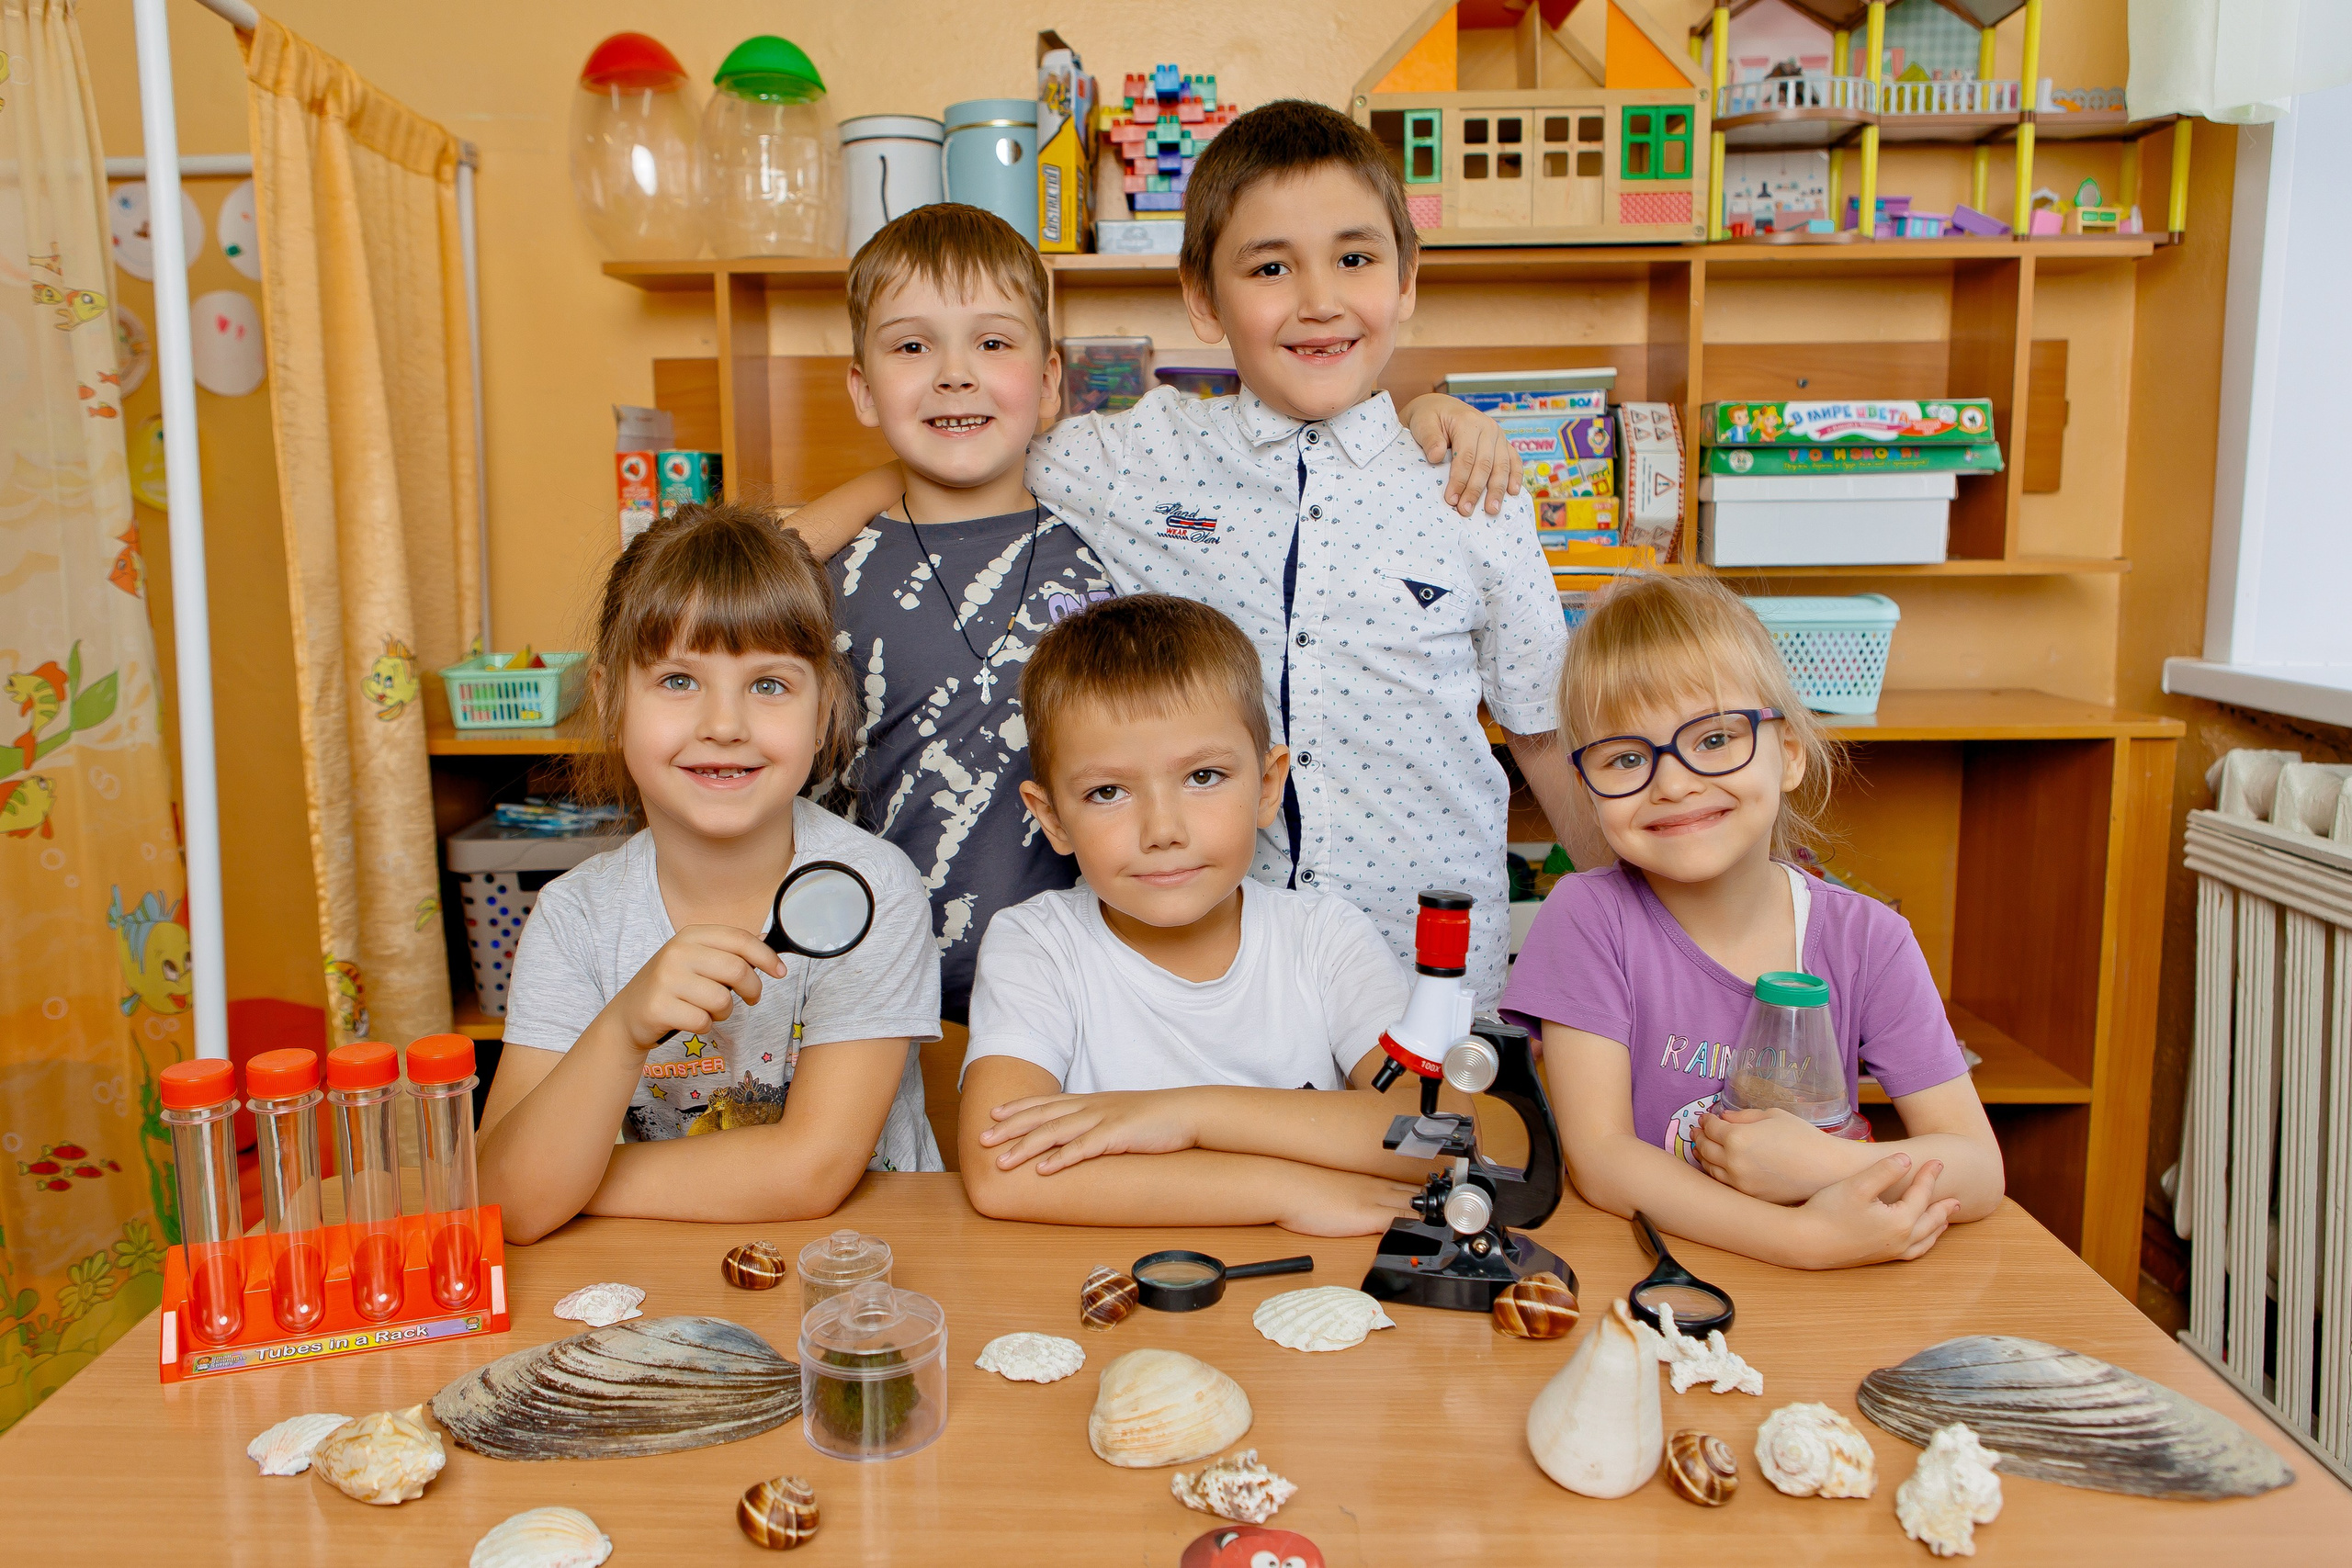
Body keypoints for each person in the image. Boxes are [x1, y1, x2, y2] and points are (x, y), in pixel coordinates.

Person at [784, 100, 1575, 1007]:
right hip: (1217, 991)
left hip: (1431, 983)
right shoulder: (1137, 461)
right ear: (1203, 299)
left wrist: (1649, 924)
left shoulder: (1470, 486)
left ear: (1404, 281)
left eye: (1354, 259)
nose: (1318, 299)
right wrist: (796, 539)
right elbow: (965, 444)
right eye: (1271, 266)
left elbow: (1544, 733)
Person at [1500, 573, 2005, 1269]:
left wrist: (1821, 1164)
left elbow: (1978, 1167)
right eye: (1624, 757)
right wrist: (1804, 1238)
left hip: (1831, 1299)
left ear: (1790, 753)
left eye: (1712, 739)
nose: (1672, 782)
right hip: (1657, 1276)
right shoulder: (1587, 919)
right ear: (1588, 788)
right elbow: (1603, 1162)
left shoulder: (1871, 941)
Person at [478, 503, 944, 1244]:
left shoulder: (873, 888)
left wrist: (578, 1179)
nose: (724, 724)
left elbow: (811, 1170)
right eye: (677, 680)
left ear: (824, 706)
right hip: (666, 1269)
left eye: (767, 685)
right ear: (609, 697)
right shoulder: (576, 918)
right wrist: (623, 1027)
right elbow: (508, 1200)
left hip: (865, 1274)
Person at [958, 594, 1446, 1235]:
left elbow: (1448, 1137)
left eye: (1204, 776)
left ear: (1268, 786)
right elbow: (1003, 1169)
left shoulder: (1326, 940)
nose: (1163, 830)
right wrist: (1285, 1190)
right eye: (1107, 791)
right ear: (1052, 816)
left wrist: (1187, 1116)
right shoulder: (1037, 944)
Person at [820, 204, 1114, 1025]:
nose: (955, 373)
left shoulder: (1111, 553)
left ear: (1051, 380)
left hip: (1079, 1007)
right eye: (913, 346)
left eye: (992, 342)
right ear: (864, 388)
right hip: (877, 1008)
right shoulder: (825, 583)